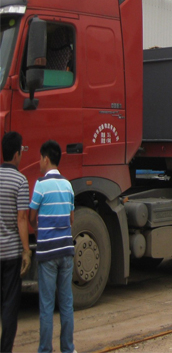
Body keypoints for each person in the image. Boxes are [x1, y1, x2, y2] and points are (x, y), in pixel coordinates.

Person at [29, 140, 76, 353]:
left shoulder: (40, 185)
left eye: (40, 158)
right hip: (66, 250)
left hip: (47, 252)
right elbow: (71, 219)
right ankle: (68, 348)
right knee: (66, 303)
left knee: (47, 305)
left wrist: (38, 227)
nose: (39, 162)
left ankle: (45, 350)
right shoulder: (68, 185)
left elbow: (31, 217)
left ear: (46, 159)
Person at [1, 132, 31, 353]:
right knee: (9, 305)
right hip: (11, 253)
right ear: (17, 154)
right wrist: (26, 251)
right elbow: (22, 219)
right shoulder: (21, 181)